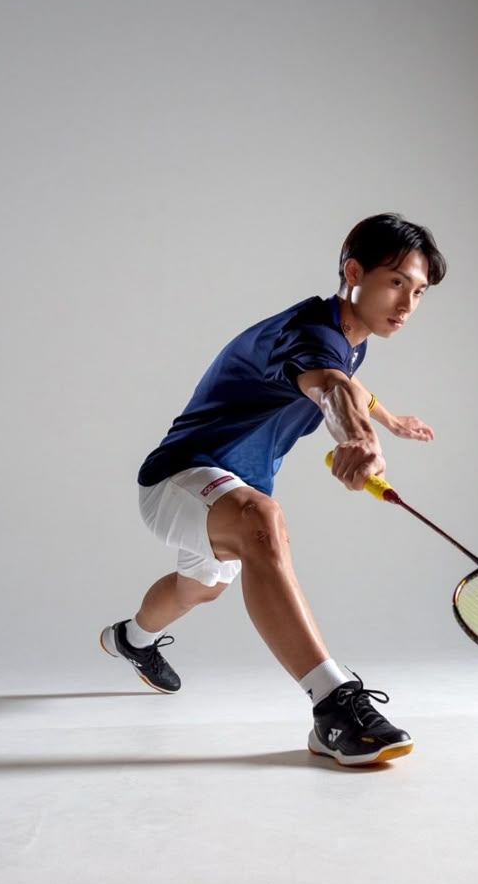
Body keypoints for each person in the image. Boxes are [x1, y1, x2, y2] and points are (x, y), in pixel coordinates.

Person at [100, 213, 447, 766]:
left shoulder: (347, 335)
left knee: (200, 587)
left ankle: (131, 639)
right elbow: (331, 387)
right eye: (396, 282)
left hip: (223, 488)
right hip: (180, 477)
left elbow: (346, 376)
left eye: (419, 291)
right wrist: (359, 438)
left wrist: (388, 418)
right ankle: (333, 705)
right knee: (262, 522)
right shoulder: (309, 332)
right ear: (353, 273)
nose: (407, 303)